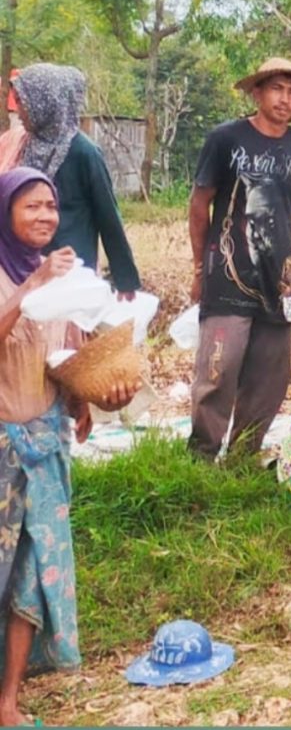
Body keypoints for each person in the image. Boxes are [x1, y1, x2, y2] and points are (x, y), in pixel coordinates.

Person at [0, 169, 138, 726]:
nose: (45, 218)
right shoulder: (20, 278)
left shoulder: (63, 280)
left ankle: (8, 699)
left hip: (47, 446)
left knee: (35, 572)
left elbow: (74, 360)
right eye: (31, 207)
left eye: (51, 208)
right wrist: (30, 289)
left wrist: (96, 399)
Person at [187, 58, 291, 461]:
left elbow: (289, 207)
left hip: (277, 278)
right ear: (258, 92)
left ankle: (244, 458)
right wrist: (199, 268)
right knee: (219, 368)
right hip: (225, 272)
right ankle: (202, 456)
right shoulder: (225, 139)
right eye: (277, 89)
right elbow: (199, 204)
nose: (285, 99)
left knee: (271, 375)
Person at [10, 64, 141, 297]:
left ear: (45, 103)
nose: (18, 111)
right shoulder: (23, 147)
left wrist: (125, 280)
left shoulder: (84, 153)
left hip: (70, 274)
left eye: (22, 102)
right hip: (26, 272)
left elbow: (108, 217)